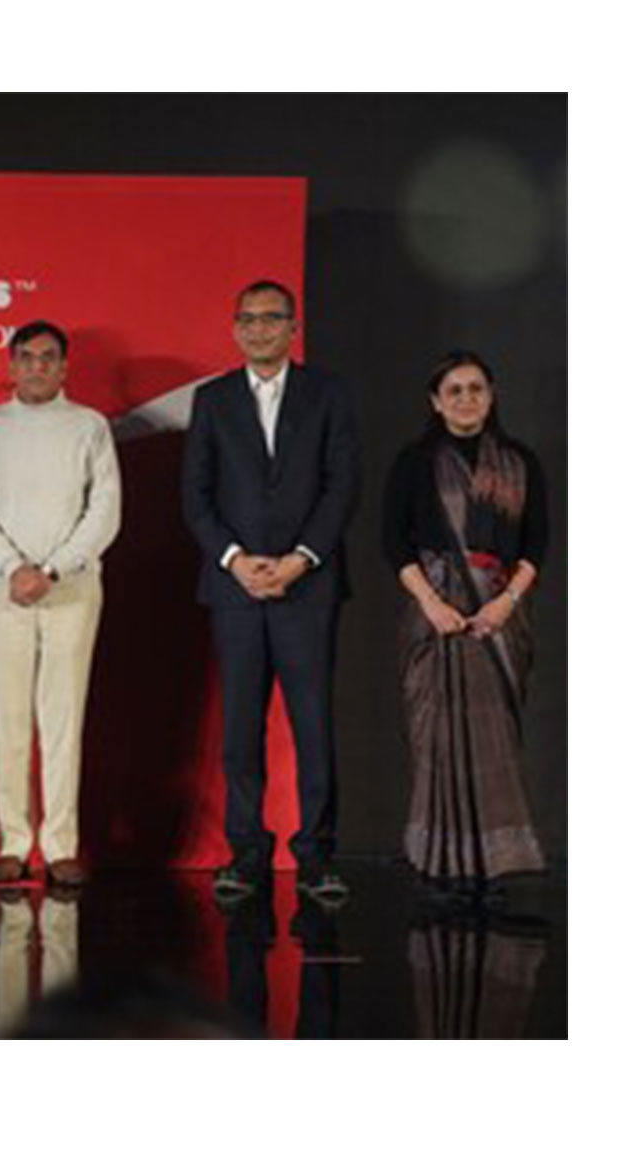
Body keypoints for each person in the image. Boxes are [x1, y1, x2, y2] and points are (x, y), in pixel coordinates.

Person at [182, 281, 360, 901]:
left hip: (306, 588)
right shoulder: (212, 399)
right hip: (234, 590)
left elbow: (342, 487)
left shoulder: (328, 393)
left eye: (271, 318)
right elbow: (195, 496)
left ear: (293, 327)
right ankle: (246, 854)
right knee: (240, 729)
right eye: (248, 319)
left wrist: (299, 560)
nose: (259, 328)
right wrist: (235, 560)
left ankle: (315, 856)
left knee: (312, 725)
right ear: (235, 329)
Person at [0, 320, 121, 887]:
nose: (36, 367)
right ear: (11, 365)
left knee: (62, 716)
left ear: (64, 367)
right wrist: (14, 568)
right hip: (2, 587)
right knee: (10, 717)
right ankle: (13, 842)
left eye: (47, 358)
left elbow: (103, 511)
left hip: (71, 588)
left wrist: (51, 569)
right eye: (25, 357)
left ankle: (59, 845)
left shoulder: (89, 426)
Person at [382, 350, 548, 898]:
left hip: (499, 614)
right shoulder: (414, 462)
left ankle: (492, 866)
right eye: (453, 390)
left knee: (492, 739)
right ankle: (436, 863)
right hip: (435, 614)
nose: (466, 399)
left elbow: (536, 544)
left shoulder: (521, 463)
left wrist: (506, 605)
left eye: (475, 388)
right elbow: (393, 541)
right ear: (435, 401)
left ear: (491, 394)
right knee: (436, 739)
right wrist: (431, 603)